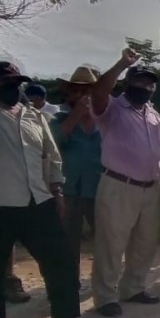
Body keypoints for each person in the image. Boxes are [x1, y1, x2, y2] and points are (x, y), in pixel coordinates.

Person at [0, 61, 95, 318]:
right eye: (6, 84)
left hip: (38, 201)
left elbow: (52, 156)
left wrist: (57, 190)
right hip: (2, 203)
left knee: (60, 261)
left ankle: (66, 317)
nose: (12, 88)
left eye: (16, 84)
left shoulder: (34, 116)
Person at [90, 48, 160, 318]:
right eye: (140, 81)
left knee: (145, 243)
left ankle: (133, 288)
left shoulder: (154, 115)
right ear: (127, 83)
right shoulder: (112, 108)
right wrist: (122, 63)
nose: (145, 87)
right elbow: (98, 92)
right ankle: (105, 296)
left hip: (150, 188)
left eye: (149, 84)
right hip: (118, 185)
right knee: (112, 243)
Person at [50, 66, 103, 284]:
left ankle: (102, 281)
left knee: (104, 239)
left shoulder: (105, 121)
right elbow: (54, 142)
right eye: (76, 91)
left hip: (99, 188)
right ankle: (69, 282)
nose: (81, 96)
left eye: (87, 91)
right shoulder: (58, 119)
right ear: (69, 94)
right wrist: (76, 116)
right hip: (69, 190)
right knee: (68, 240)